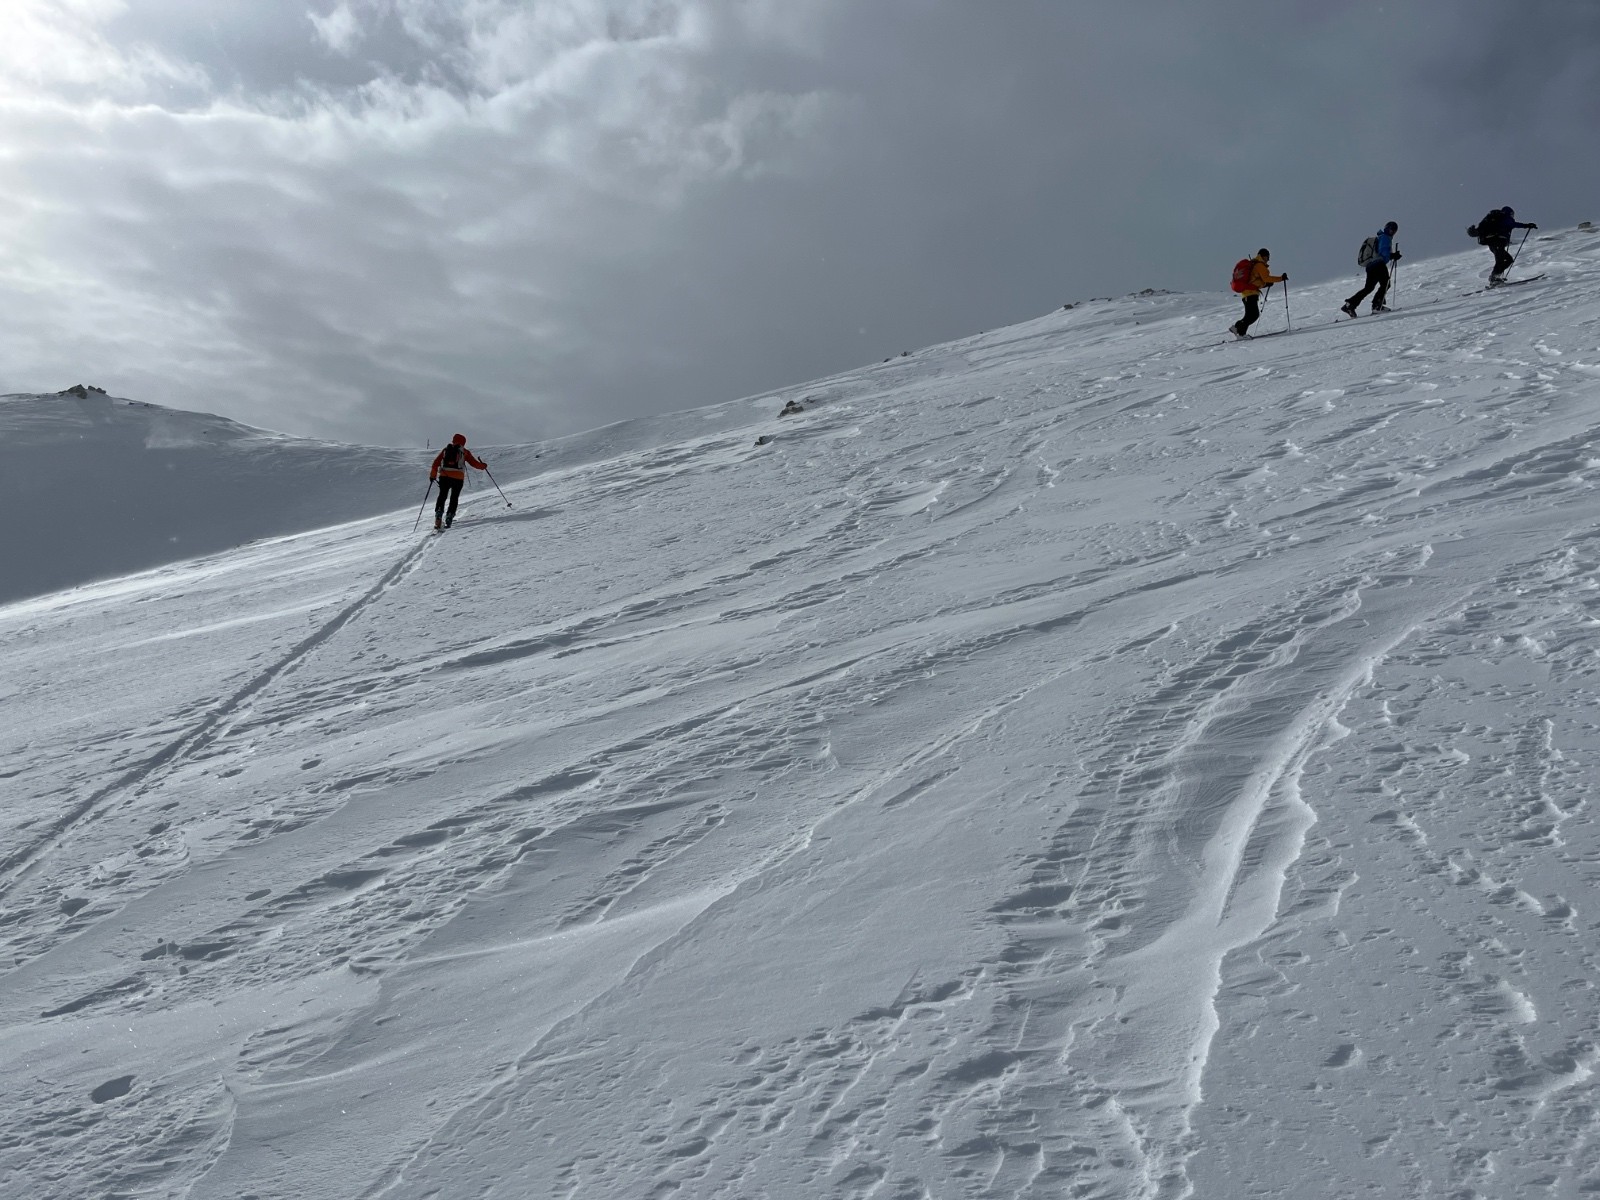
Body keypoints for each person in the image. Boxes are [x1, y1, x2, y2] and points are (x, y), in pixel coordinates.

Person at [1341, 222, 1402, 317]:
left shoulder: (1380, 237)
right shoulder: (1385, 238)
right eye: (1391, 229)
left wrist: (1392, 256)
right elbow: (1383, 252)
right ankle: (1377, 306)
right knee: (1385, 284)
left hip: (1370, 266)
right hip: (1378, 264)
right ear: (1387, 228)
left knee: (1369, 288)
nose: (1392, 231)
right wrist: (1393, 255)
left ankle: (1349, 305)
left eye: (1393, 230)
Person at [428, 433, 488, 529]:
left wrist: (432, 476)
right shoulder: (465, 452)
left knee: (442, 495)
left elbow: (436, 463)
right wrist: (483, 466)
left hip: (444, 476)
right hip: (458, 478)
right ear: (463, 442)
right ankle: (449, 516)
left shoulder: (446, 450)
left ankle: (439, 514)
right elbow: (474, 464)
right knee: (454, 497)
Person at [1471, 206, 1537, 282]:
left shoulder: (1498, 220)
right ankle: (1494, 278)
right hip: (1498, 242)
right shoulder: (1506, 219)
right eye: (1512, 214)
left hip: (1493, 244)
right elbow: (1515, 224)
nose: (1512, 216)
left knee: (1508, 260)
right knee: (1501, 260)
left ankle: (1496, 276)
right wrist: (1527, 225)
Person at [1231, 249, 1287, 338]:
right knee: (1253, 315)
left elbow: (1255, 281)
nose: (1268, 259)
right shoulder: (1259, 265)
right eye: (1268, 257)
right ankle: (1238, 329)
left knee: (1250, 315)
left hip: (1248, 293)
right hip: (1250, 293)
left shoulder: (1255, 264)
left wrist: (1265, 284)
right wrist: (1281, 278)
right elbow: (1266, 278)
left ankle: (1240, 332)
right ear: (1264, 256)